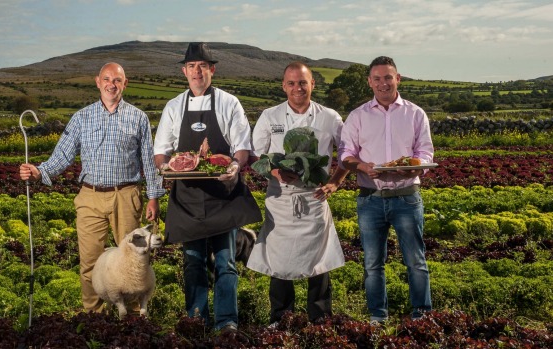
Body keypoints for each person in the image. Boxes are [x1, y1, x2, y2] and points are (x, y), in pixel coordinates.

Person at [19, 62, 164, 313]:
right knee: (89, 262)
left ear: (125, 84)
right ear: (98, 82)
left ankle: (128, 320)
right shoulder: (82, 117)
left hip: (126, 195)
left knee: (134, 259)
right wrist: (39, 171)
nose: (111, 84)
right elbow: (62, 155)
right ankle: (93, 317)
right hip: (90, 196)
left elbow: (149, 163)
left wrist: (153, 197)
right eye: (107, 79)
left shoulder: (138, 117)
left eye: (117, 80)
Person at [153, 42, 262, 332]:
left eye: (202, 65)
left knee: (226, 261)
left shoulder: (229, 102)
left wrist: (235, 167)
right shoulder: (174, 106)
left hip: (221, 194)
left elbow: (241, 147)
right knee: (192, 263)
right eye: (192, 66)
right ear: (184, 71)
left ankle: (226, 322)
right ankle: (196, 320)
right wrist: (166, 168)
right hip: (187, 197)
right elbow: (161, 151)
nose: (197, 71)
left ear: (211, 69)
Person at [246, 61, 349, 326]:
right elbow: (256, 154)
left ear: (313, 84)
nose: (297, 88)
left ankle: (320, 318)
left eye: (303, 82)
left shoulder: (330, 117)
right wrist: (276, 173)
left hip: (315, 197)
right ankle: (280, 317)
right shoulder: (270, 116)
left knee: (319, 258)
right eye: (291, 83)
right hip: (280, 197)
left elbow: (348, 154)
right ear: (283, 86)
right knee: (279, 257)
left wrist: (335, 181)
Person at [338, 56, 433, 323]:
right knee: (372, 264)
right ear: (369, 82)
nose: (383, 83)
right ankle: (377, 317)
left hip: (406, 197)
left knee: (416, 261)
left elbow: (425, 151)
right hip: (371, 198)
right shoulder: (357, 116)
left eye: (388, 77)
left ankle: (422, 316)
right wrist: (360, 166)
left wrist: (415, 167)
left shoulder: (415, 113)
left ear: (398, 78)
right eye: (377, 78)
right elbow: (345, 152)